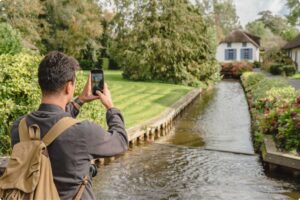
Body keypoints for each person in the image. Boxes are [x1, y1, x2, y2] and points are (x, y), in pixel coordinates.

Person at [10, 51, 128, 200]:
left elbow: (55, 125)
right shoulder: (83, 132)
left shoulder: (18, 128)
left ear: (41, 83)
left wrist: (80, 100)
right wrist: (111, 108)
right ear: (68, 87)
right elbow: (121, 141)